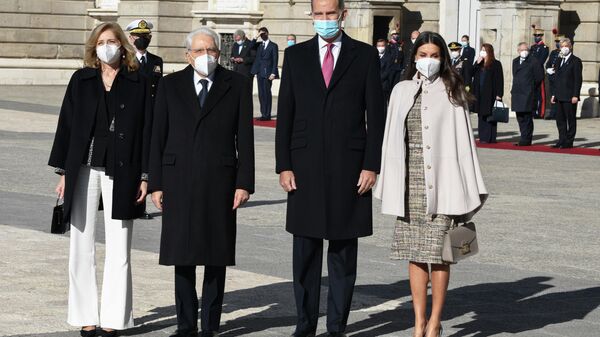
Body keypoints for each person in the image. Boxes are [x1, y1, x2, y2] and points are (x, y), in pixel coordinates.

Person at [275, 0, 385, 335]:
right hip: (304, 167)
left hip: (349, 168)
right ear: (312, 16)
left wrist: (371, 165)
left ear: (342, 15)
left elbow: (375, 116)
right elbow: (286, 115)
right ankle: (305, 324)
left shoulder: (364, 55)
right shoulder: (295, 57)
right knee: (305, 253)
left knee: (342, 253)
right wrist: (284, 165)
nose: (324, 20)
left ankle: (337, 325)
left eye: (330, 14)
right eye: (318, 14)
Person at [374, 31, 488, 337]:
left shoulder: (453, 92)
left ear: (443, 59)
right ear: (414, 58)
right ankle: (418, 321)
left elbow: (464, 144)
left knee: (440, 254)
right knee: (414, 254)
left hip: (444, 183)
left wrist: (468, 188)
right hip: (410, 184)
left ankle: (435, 321)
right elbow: (390, 140)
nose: (428, 61)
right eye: (423, 55)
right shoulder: (400, 90)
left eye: (434, 55)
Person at [148, 27, 255, 337]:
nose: (206, 56)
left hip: (220, 180)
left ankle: (209, 325)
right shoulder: (169, 85)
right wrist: (156, 183)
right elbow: (157, 136)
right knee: (182, 255)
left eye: (212, 51)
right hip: (177, 178)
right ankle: (185, 325)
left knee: (215, 254)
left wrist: (243, 182)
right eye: (199, 51)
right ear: (187, 55)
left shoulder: (235, 84)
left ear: (219, 54)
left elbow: (244, 138)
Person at [48, 22, 153, 337]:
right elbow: (66, 125)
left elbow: (148, 130)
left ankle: (114, 318)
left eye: (113, 41)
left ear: (123, 45)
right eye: (101, 41)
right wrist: (64, 172)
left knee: (120, 244)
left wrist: (146, 176)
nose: (107, 46)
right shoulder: (81, 80)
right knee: (81, 242)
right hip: (82, 167)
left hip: (125, 169)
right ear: (94, 47)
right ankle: (85, 316)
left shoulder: (139, 80)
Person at [125, 18, 163, 220]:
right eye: (139, 36)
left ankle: (142, 204)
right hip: (132, 116)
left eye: (145, 36)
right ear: (131, 38)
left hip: (152, 117)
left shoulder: (156, 61)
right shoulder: (125, 60)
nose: (142, 39)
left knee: (147, 160)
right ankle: (130, 202)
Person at [550, 37, 582, 149]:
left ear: (570, 47)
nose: (564, 48)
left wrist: (576, 95)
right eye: (562, 46)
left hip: (569, 96)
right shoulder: (559, 60)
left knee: (571, 119)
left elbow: (578, 80)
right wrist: (553, 94)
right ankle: (561, 140)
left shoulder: (576, 61)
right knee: (560, 120)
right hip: (559, 95)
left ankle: (569, 141)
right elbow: (556, 79)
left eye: (566, 46)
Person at [511, 42, 544, 146]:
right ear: (518, 51)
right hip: (517, 93)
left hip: (528, 93)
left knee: (527, 118)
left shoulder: (534, 61)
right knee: (520, 117)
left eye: (526, 50)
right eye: (521, 50)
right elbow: (515, 75)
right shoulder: (515, 61)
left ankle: (526, 139)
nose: (524, 52)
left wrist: (530, 86)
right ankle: (523, 137)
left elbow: (539, 76)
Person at [472, 43, 504, 143]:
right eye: (482, 50)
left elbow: (499, 80)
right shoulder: (479, 64)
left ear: (489, 52)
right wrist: (477, 63)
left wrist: (499, 94)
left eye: (484, 50)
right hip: (479, 93)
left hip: (490, 94)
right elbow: (471, 73)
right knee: (481, 115)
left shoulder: (495, 63)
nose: (483, 52)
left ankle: (490, 137)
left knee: (490, 115)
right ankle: (483, 137)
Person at [250, 27, 279, 121]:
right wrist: (256, 36)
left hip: (268, 73)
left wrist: (273, 73)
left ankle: (267, 114)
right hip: (259, 72)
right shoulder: (259, 45)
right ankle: (263, 114)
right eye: (261, 34)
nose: (262, 36)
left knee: (267, 93)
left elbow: (275, 60)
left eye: (263, 34)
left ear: (267, 33)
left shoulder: (273, 45)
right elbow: (250, 46)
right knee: (261, 94)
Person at [530, 28, 550, 118]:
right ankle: (533, 111)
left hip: (538, 72)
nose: (536, 37)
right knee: (532, 94)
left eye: (538, 36)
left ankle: (541, 112)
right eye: (535, 36)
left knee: (541, 94)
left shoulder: (544, 48)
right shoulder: (533, 47)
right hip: (531, 73)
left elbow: (541, 60)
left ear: (541, 37)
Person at [545, 32, 564, 120]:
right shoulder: (553, 52)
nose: (557, 43)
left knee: (558, 95)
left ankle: (558, 113)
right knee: (552, 94)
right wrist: (548, 69)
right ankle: (552, 113)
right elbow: (548, 63)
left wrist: (556, 69)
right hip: (552, 77)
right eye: (556, 41)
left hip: (559, 77)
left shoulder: (564, 53)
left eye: (558, 41)